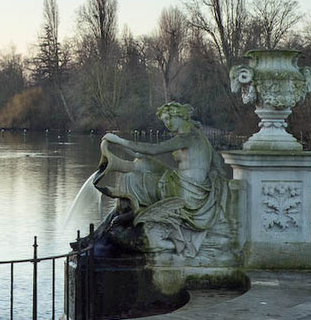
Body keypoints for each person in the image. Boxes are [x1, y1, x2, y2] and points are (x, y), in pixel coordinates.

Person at [94, 102, 227, 256]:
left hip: (188, 191)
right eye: (165, 120)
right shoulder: (198, 136)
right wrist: (118, 145)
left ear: (181, 115)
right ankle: (117, 164)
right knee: (144, 161)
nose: (168, 124)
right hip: (188, 185)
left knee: (131, 180)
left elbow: (154, 149)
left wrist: (119, 140)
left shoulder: (188, 137)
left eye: (170, 118)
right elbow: (218, 164)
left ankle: (116, 223)